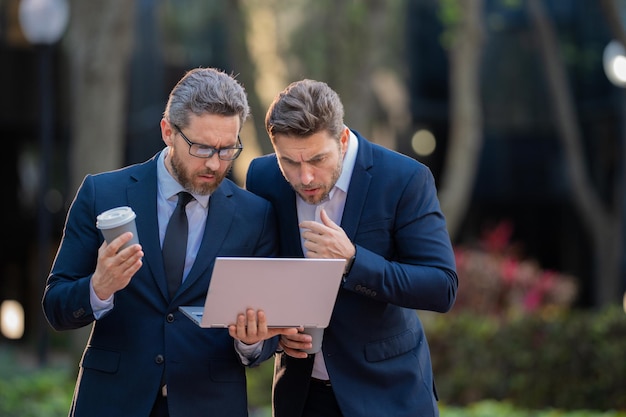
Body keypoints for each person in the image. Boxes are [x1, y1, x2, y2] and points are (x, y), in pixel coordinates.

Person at [42, 67, 295, 417]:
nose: (214, 163)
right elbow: (56, 305)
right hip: (112, 402)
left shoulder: (257, 215)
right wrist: (98, 288)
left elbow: (265, 338)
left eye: (227, 150)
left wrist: (251, 340)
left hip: (209, 404)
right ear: (167, 132)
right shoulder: (103, 194)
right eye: (202, 147)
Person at [246, 79, 459, 417]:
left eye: (318, 159)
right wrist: (275, 334)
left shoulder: (404, 179)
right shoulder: (262, 177)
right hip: (301, 398)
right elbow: (263, 272)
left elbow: (441, 286)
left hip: (388, 393)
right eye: (290, 162)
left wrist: (353, 261)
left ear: (343, 139)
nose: (305, 177)